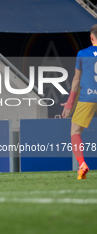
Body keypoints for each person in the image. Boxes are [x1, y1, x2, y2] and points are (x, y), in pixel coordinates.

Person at [61, 24, 97, 180]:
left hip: (88, 96)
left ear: (91, 37)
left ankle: (82, 164)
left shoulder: (82, 54)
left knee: (75, 132)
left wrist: (69, 105)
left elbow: (76, 81)